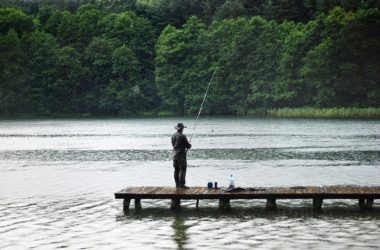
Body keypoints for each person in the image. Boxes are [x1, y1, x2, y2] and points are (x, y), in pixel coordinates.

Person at [172, 122, 191, 188]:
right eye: (183, 128)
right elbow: (188, 146)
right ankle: (182, 185)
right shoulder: (182, 136)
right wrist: (189, 145)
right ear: (181, 128)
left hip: (174, 154)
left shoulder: (173, 136)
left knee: (176, 169)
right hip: (181, 154)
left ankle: (177, 184)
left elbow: (173, 145)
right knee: (183, 169)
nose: (183, 129)